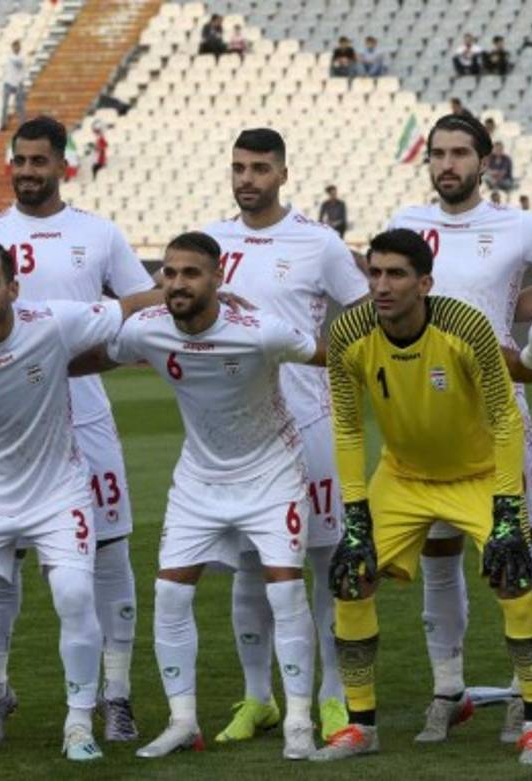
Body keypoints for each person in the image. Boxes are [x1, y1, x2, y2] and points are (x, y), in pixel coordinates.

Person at [0, 116, 158, 747]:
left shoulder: (98, 233)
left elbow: (140, 310)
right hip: (8, 421)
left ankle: (115, 696)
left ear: (62, 164)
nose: (27, 172)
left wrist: (65, 364)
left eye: (39, 161)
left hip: (85, 416)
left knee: (106, 556)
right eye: (19, 161)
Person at [73, 232, 326, 761]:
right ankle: (183, 722)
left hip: (272, 472)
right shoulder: (147, 327)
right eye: (169, 273)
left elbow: (330, 356)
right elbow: (99, 356)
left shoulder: (260, 330)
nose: (177, 283)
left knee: (284, 592)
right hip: (199, 479)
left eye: (191, 273)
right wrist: (28, 365)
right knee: (169, 594)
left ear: (217, 278)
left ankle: (299, 720)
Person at [310, 229, 532, 765]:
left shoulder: (466, 326)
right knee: (350, 577)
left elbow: (505, 418)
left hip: (479, 474)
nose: (381, 286)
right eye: (375, 273)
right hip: (403, 476)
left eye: (396, 275)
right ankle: (360, 726)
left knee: (514, 575)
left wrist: (508, 510)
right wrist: (355, 515)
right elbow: (347, 427)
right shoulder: (349, 331)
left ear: (424, 283)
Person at [386, 114, 532, 753]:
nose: (447, 164)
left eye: (460, 153)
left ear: (485, 162)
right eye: (438, 153)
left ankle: (523, 689)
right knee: (439, 555)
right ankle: (448, 689)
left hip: (496, 412)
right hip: (422, 415)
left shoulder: (521, 226)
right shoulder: (407, 222)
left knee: (520, 550)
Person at [202, 131, 366, 746]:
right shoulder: (211, 241)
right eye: (239, 167)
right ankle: (258, 698)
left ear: (283, 174)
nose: (247, 179)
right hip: (240, 433)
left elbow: (364, 314)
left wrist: (329, 361)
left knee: (324, 565)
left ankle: (331, 696)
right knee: (249, 566)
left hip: (310, 426)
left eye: (259, 168)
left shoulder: (318, 243)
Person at [1, 40, 27, 131]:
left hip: (18, 83)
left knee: (20, 105)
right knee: (5, 105)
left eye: (17, 46)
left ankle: (23, 124)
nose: (16, 48)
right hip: (8, 82)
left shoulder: (21, 57)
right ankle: (3, 123)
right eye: (14, 47)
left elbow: (18, 63)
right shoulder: (10, 57)